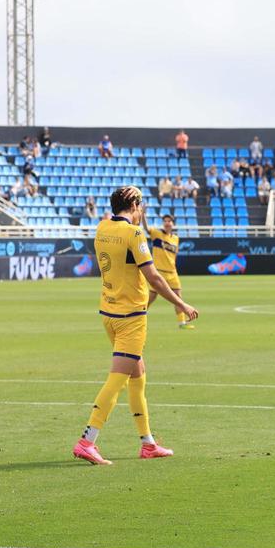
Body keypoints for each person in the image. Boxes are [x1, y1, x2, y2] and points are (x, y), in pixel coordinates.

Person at [72, 187, 198, 466]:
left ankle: (148, 443)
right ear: (133, 205)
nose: (142, 210)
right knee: (117, 380)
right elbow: (153, 278)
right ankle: (87, 440)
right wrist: (181, 304)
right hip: (131, 317)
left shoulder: (103, 227)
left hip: (109, 312)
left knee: (137, 374)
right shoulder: (134, 234)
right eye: (140, 205)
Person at [146, 213, 193, 330]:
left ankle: (182, 323)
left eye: (169, 221)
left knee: (178, 297)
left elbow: (173, 256)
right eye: (165, 221)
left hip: (172, 273)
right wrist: (143, 215)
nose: (167, 223)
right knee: (151, 298)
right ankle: (137, 317)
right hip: (159, 272)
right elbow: (146, 228)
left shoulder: (176, 238)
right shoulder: (156, 234)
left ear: (173, 223)